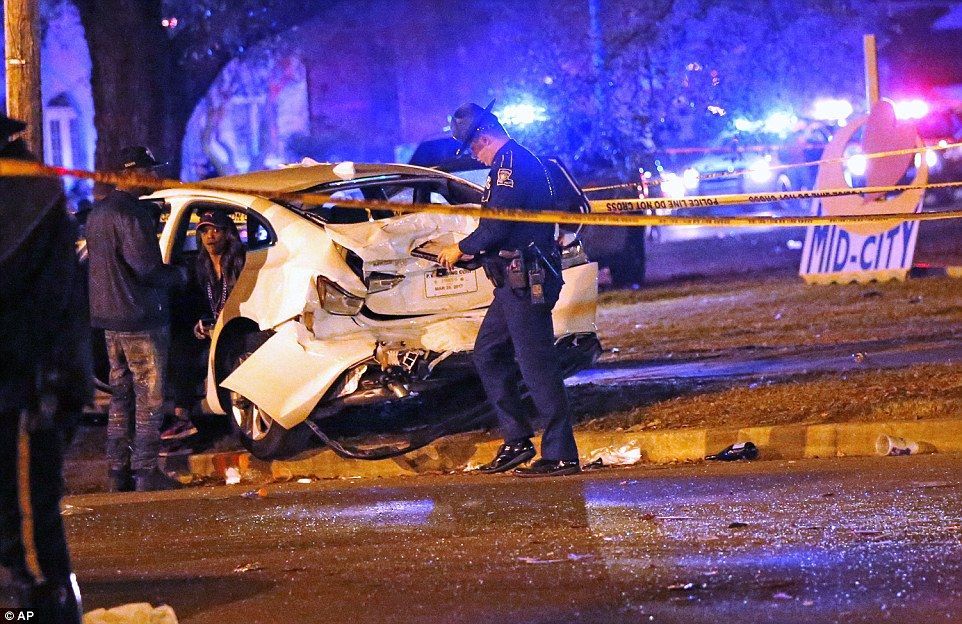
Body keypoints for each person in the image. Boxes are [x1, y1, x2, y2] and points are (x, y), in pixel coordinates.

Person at [438, 102, 580, 477]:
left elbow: (497, 226)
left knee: (537, 366)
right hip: (511, 280)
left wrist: (461, 249)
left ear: (483, 138)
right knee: (488, 354)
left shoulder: (511, 166)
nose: (473, 156)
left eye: (472, 148)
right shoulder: (507, 165)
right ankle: (517, 440)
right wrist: (476, 254)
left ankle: (561, 454)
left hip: (525, 278)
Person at [0, 114, 88, 622]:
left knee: (24, 504)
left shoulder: (25, 196)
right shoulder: (38, 190)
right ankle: (45, 596)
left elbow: (47, 297)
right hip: (37, 375)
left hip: (27, 377)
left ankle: (35, 597)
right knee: (34, 502)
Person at [86, 145, 185, 492]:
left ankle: (117, 472)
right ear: (133, 174)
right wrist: (180, 276)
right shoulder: (133, 215)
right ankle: (145, 471)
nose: (155, 177)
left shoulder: (97, 213)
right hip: (140, 318)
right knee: (150, 399)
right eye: (149, 170)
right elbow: (145, 268)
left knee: (120, 397)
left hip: (109, 321)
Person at [163, 208, 245, 440]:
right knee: (182, 348)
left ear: (227, 233)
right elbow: (192, 305)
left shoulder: (239, 262)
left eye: (215, 231)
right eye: (204, 231)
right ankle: (182, 417)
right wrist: (198, 325)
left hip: (233, 328)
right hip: (208, 330)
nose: (210, 236)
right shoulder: (198, 267)